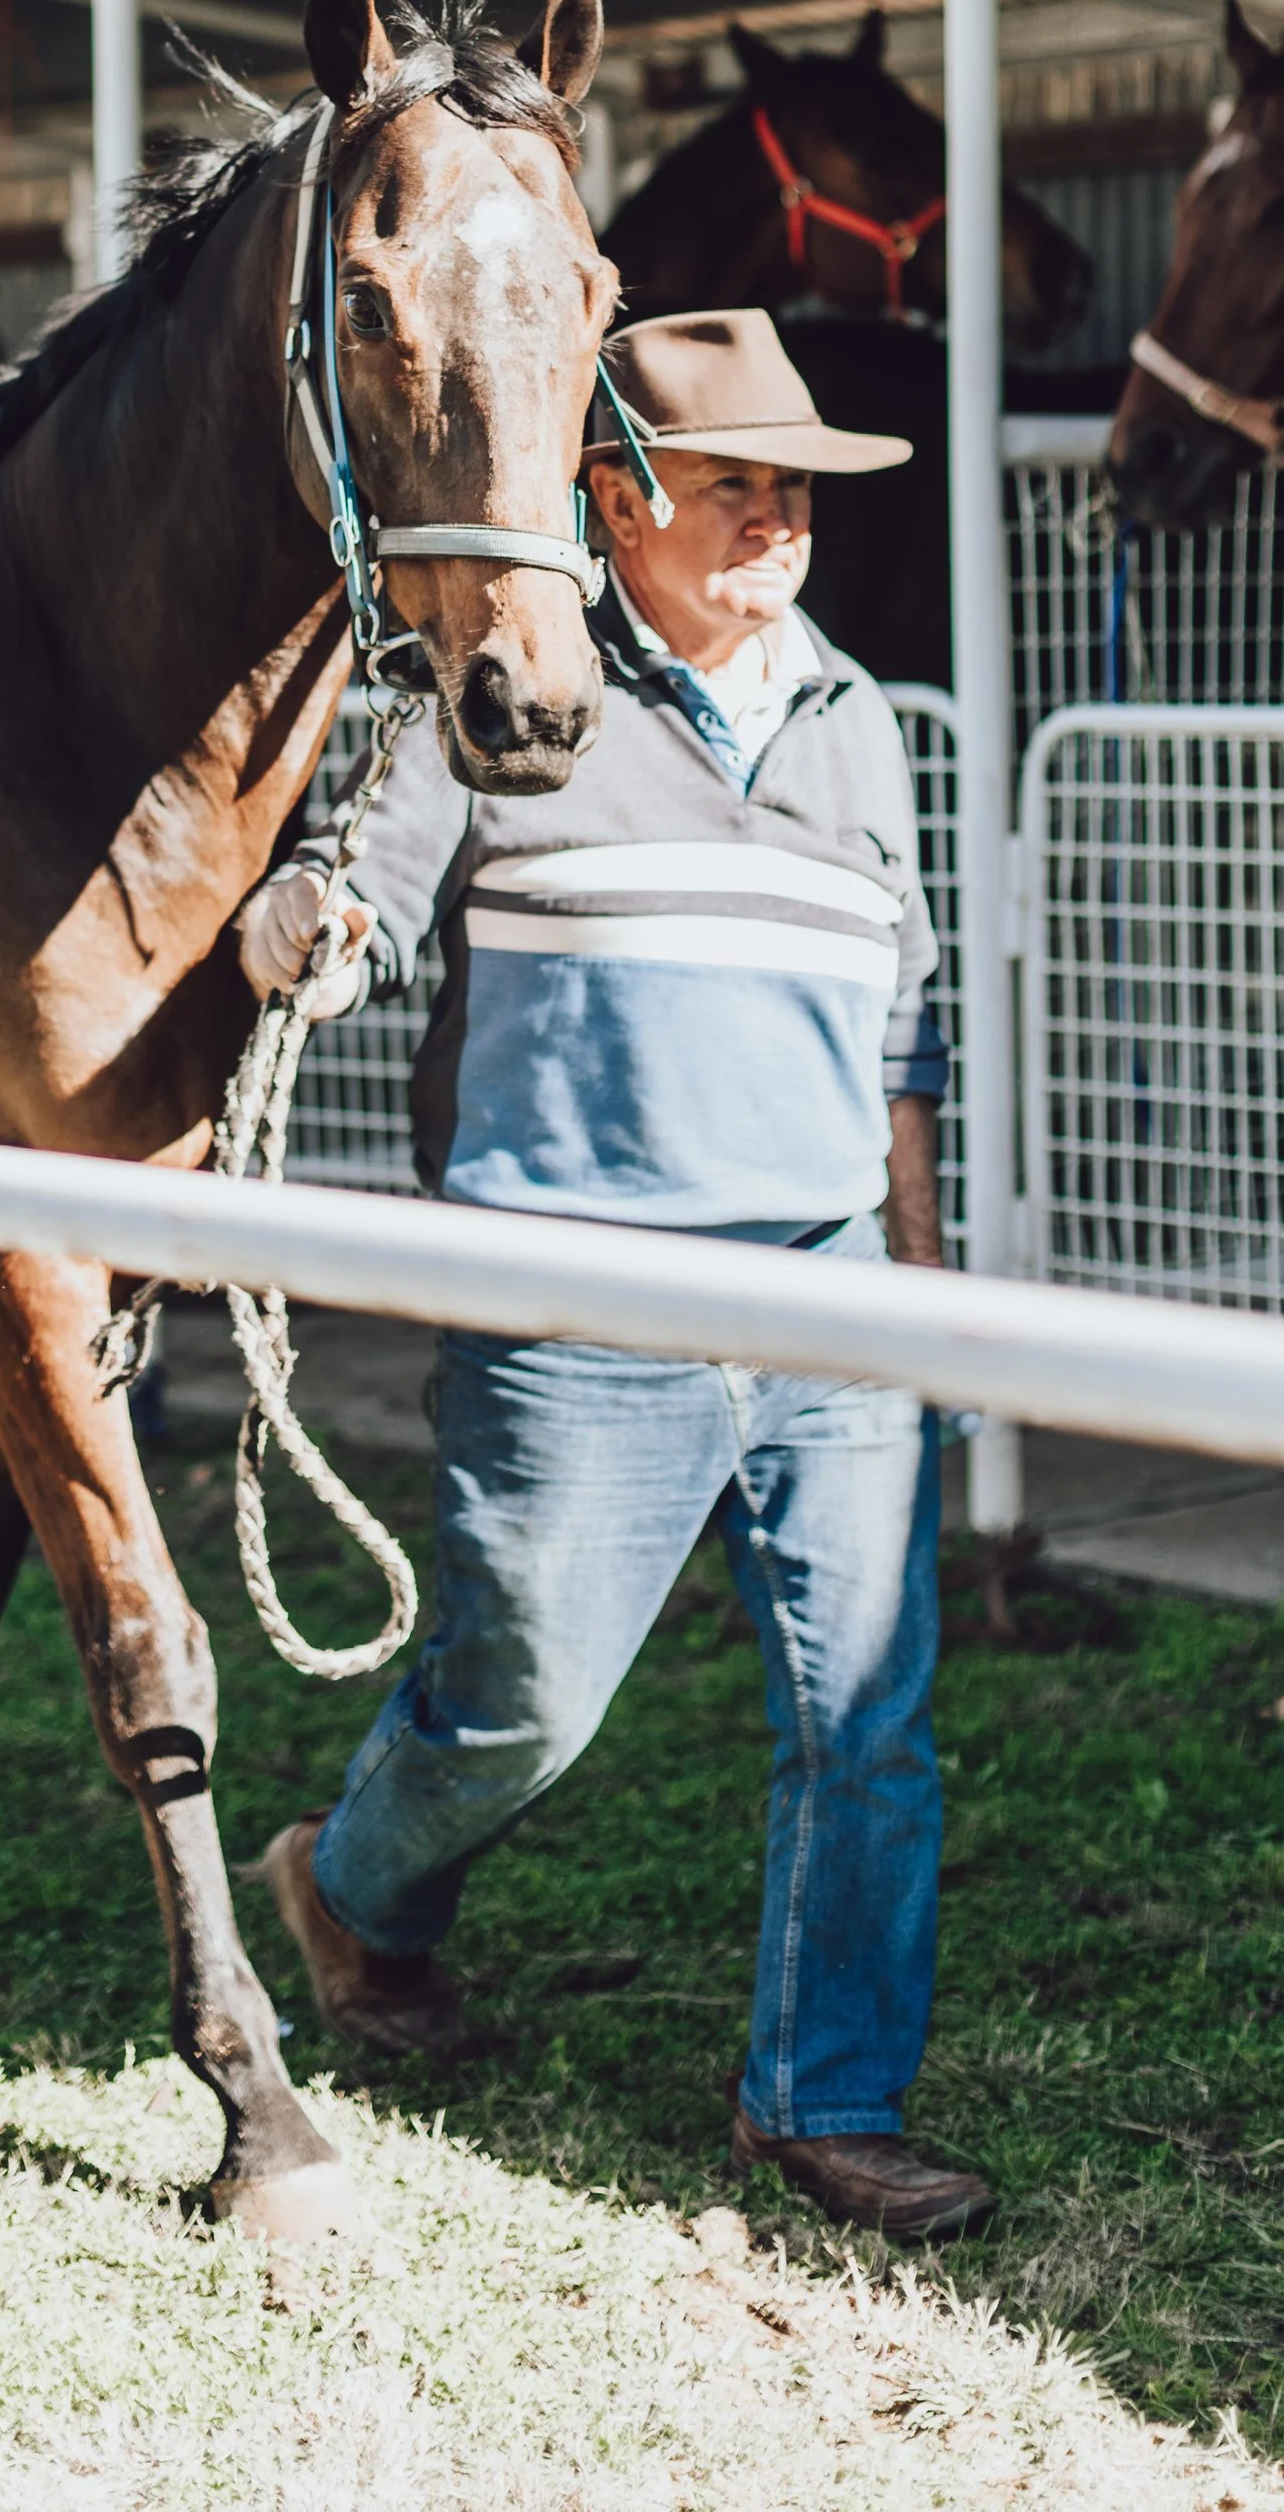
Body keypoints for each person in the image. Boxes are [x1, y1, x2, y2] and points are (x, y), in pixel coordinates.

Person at [247, 306, 993, 2242]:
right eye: (730, 485)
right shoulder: (500, 699)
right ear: (608, 501)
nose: (773, 523)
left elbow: (898, 1035)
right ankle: (351, 1884)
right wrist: (306, 923)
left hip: (827, 1296)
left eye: (795, 491)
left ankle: (822, 2102)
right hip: (575, 1302)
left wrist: (916, 1287)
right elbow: (355, 894)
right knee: (522, 1703)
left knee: (868, 1724)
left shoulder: (859, 725)